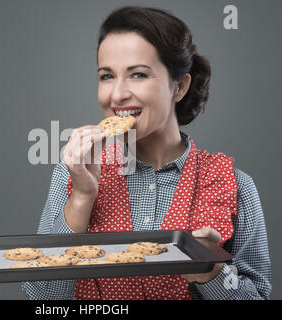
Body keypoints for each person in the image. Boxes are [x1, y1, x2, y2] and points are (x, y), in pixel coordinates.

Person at [22, 6, 271, 300]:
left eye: (138, 75)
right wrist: (81, 198)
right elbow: (41, 299)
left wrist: (211, 273)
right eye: (106, 76)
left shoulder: (234, 185)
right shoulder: (74, 174)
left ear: (179, 86)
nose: (117, 95)